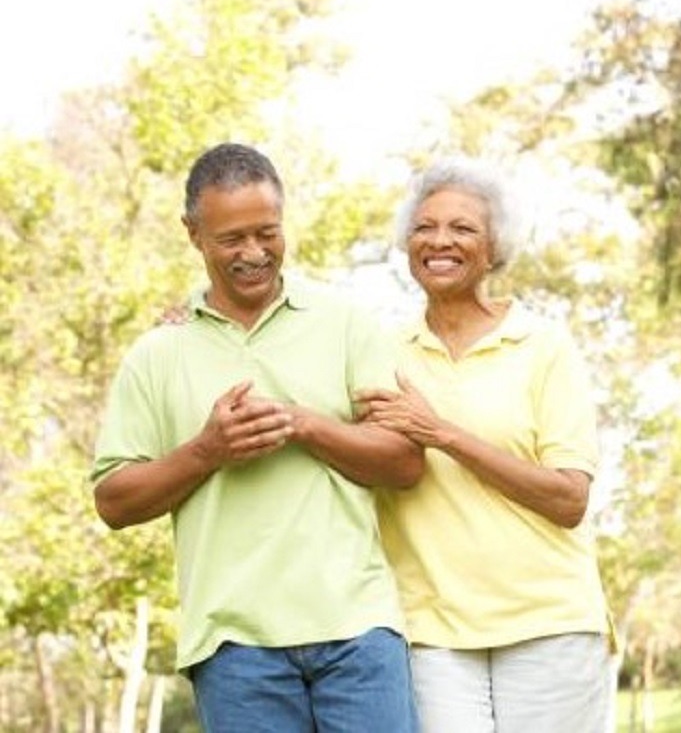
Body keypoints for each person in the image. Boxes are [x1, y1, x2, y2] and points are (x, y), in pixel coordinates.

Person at [90, 142, 423, 733]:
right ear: (193, 234)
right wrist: (206, 451)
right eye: (231, 239)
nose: (254, 253)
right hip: (233, 646)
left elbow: (403, 463)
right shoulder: (158, 353)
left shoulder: (344, 323)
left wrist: (304, 423)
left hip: (358, 629)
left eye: (267, 232)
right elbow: (114, 502)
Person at [354, 156, 616, 733]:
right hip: (432, 630)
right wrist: (194, 324)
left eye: (462, 228)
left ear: (495, 247)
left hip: (549, 623)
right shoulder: (381, 351)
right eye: (424, 227)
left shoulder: (543, 346)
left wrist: (441, 433)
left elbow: (569, 499)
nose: (439, 241)